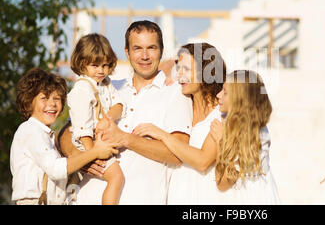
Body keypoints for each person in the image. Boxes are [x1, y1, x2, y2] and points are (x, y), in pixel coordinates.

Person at [61, 20, 193, 204]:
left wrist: (125, 138)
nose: (144, 56)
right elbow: (67, 133)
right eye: (137, 48)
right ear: (127, 52)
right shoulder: (107, 87)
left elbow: (179, 155)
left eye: (151, 48)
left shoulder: (176, 93)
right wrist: (82, 158)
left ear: (161, 51)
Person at [132, 42, 228, 204]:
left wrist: (162, 135)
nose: (180, 75)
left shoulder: (220, 115)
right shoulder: (180, 104)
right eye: (179, 68)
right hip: (178, 194)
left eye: (187, 69)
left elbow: (203, 162)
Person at [10, 68, 118, 205]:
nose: (52, 104)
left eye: (57, 98)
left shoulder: (47, 135)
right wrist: (95, 152)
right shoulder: (30, 130)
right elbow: (55, 169)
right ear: (28, 101)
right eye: (44, 98)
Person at [67, 33, 125, 205]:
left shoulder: (106, 83)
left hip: (99, 142)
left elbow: (119, 105)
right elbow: (82, 128)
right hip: (89, 144)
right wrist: (94, 153)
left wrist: (108, 119)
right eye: (95, 65)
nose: (101, 70)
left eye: (106, 65)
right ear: (82, 63)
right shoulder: (82, 89)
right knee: (117, 177)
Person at [211, 70, 281, 204]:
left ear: (239, 100)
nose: (218, 95)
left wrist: (221, 141)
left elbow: (223, 184)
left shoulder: (244, 134)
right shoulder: (257, 126)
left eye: (225, 92)